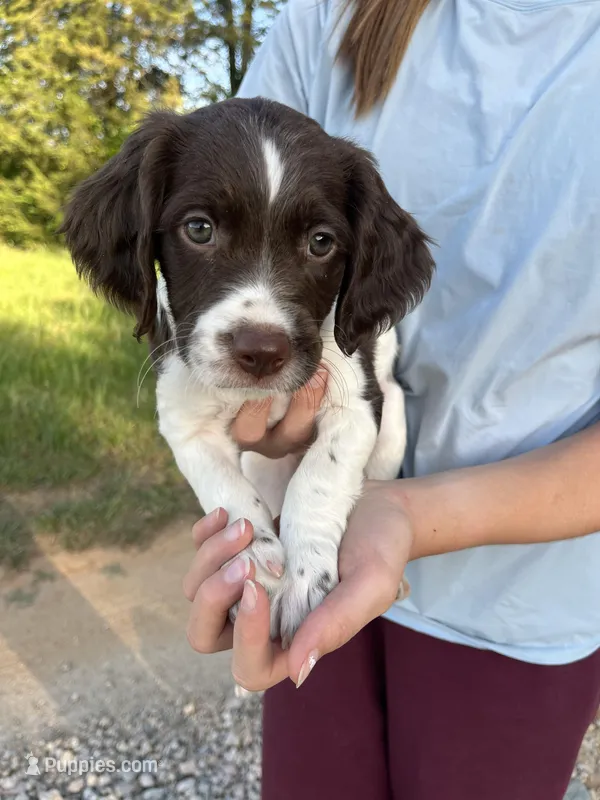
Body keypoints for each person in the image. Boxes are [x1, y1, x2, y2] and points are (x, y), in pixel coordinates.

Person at [182, 0, 600, 796]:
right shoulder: (332, 17)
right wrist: (260, 436)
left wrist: (406, 513)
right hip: (323, 557)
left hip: (517, 602)